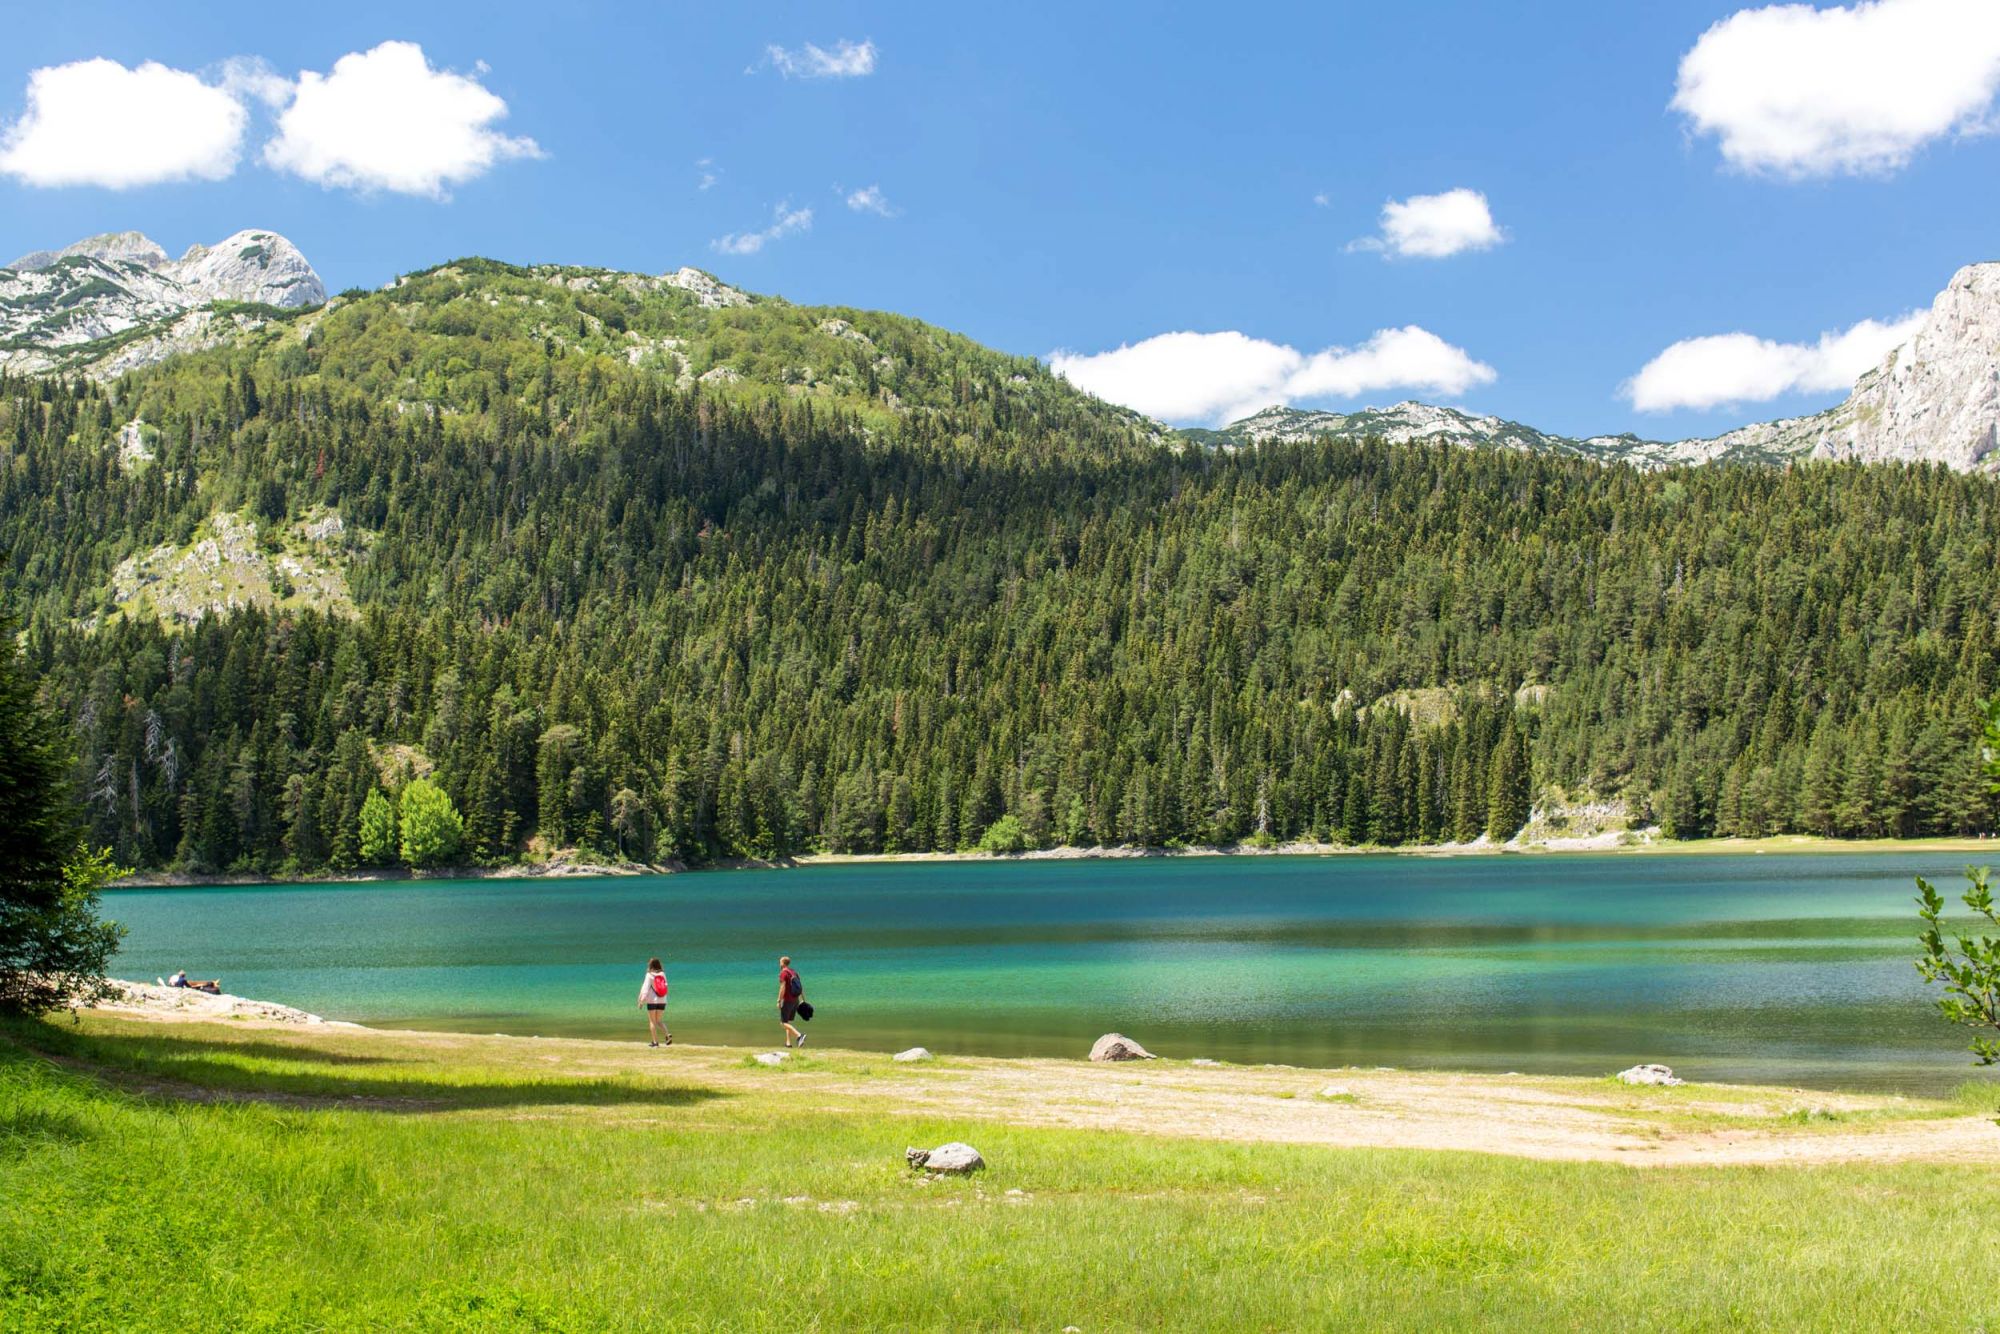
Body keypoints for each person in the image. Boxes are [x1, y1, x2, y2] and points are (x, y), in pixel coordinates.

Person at [636, 957, 672, 1046]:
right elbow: (666, 986)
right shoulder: (663, 974)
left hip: (652, 1001)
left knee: (652, 1021)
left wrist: (641, 1001)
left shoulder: (649, 975)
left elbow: (645, 989)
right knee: (659, 1020)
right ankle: (667, 1034)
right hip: (662, 1000)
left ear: (650, 965)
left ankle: (655, 1042)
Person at [777, 955, 805, 1047]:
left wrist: (779, 1000)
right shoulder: (794, 972)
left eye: (780, 962)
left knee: (783, 1023)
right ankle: (788, 1043)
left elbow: (782, 987)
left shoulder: (783, 973)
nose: (779, 963)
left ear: (782, 963)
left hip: (788, 1001)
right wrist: (803, 1000)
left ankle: (799, 1035)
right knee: (788, 1021)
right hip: (795, 1000)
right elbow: (801, 987)